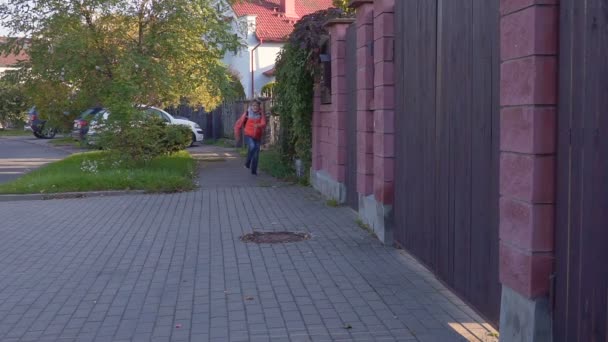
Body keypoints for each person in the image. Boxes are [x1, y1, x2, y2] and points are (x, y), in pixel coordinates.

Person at [234, 99, 267, 175]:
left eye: (257, 106)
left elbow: (264, 123)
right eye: (253, 105)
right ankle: (247, 163)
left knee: (256, 154)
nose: (255, 107)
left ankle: (254, 171)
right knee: (252, 146)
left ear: (259, 107)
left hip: (258, 136)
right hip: (248, 135)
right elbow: (238, 124)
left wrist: (258, 125)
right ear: (251, 106)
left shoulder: (261, 114)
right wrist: (237, 135)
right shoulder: (247, 113)